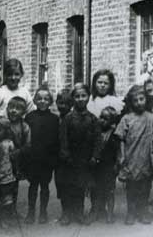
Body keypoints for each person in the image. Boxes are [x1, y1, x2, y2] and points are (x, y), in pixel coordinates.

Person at [58, 83, 102, 225]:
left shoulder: (93, 119)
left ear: (88, 97)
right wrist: (65, 153)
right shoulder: (68, 118)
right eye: (77, 96)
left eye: (84, 96)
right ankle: (66, 213)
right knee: (66, 186)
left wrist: (95, 156)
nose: (81, 99)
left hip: (85, 159)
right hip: (69, 159)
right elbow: (63, 138)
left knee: (80, 186)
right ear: (73, 98)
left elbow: (97, 139)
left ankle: (78, 212)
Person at [116, 85, 153, 225]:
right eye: (135, 100)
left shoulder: (152, 118)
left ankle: (143, 211)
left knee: (145, 187)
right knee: (131, 188)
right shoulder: (126, 119)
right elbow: (120, 138)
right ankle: (131, 212)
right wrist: (121, 155)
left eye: (142, 99)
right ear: (130, 102)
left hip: (146, 158)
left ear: (146, 99)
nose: (139, 102)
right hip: (131, 157)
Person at [24, 86, 59, 224]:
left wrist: (54, 159)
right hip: (33, 158)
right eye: (39, 99)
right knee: (33, 185)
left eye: (46, 99)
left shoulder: (54, 119)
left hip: (47, 159)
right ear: (34, 100)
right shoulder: (30, 117)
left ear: (50, 101)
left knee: (44, 186)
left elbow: (56, 140)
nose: (42, 101)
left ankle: (43, 212)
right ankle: (31, 212)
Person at [94, 106, 120, 223]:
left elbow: (118, 151)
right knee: (98, 190)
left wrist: (117, 165)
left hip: (110, 166)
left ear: (112, 121)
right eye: (101, 117)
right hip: (98, 167)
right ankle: (99, 211)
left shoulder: (114, 134)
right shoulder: (97, 132)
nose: (102, 120)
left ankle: (110, 214)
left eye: (106, 118)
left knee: (110, 191)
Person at [53, 88, 74, 223]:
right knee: (61, 185)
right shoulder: (55, 119)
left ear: (71, 104)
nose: (63, 106)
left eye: (66, 103)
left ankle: (76, 211)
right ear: (56, 103)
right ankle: (65, 212)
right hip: (58, 160)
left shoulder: (74, 118)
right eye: (60, 103)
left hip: (72, 158)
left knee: (74, 185)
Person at [7, 96, 31, 212]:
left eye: (18, 108)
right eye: (11, 107)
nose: (14, 110)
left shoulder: (25, 127)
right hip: (2, 160)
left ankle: (12, 209)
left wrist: (18, 152)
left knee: (13, 185)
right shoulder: (3, 123)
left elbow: (28, 144)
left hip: (16, 161)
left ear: (23, 112)